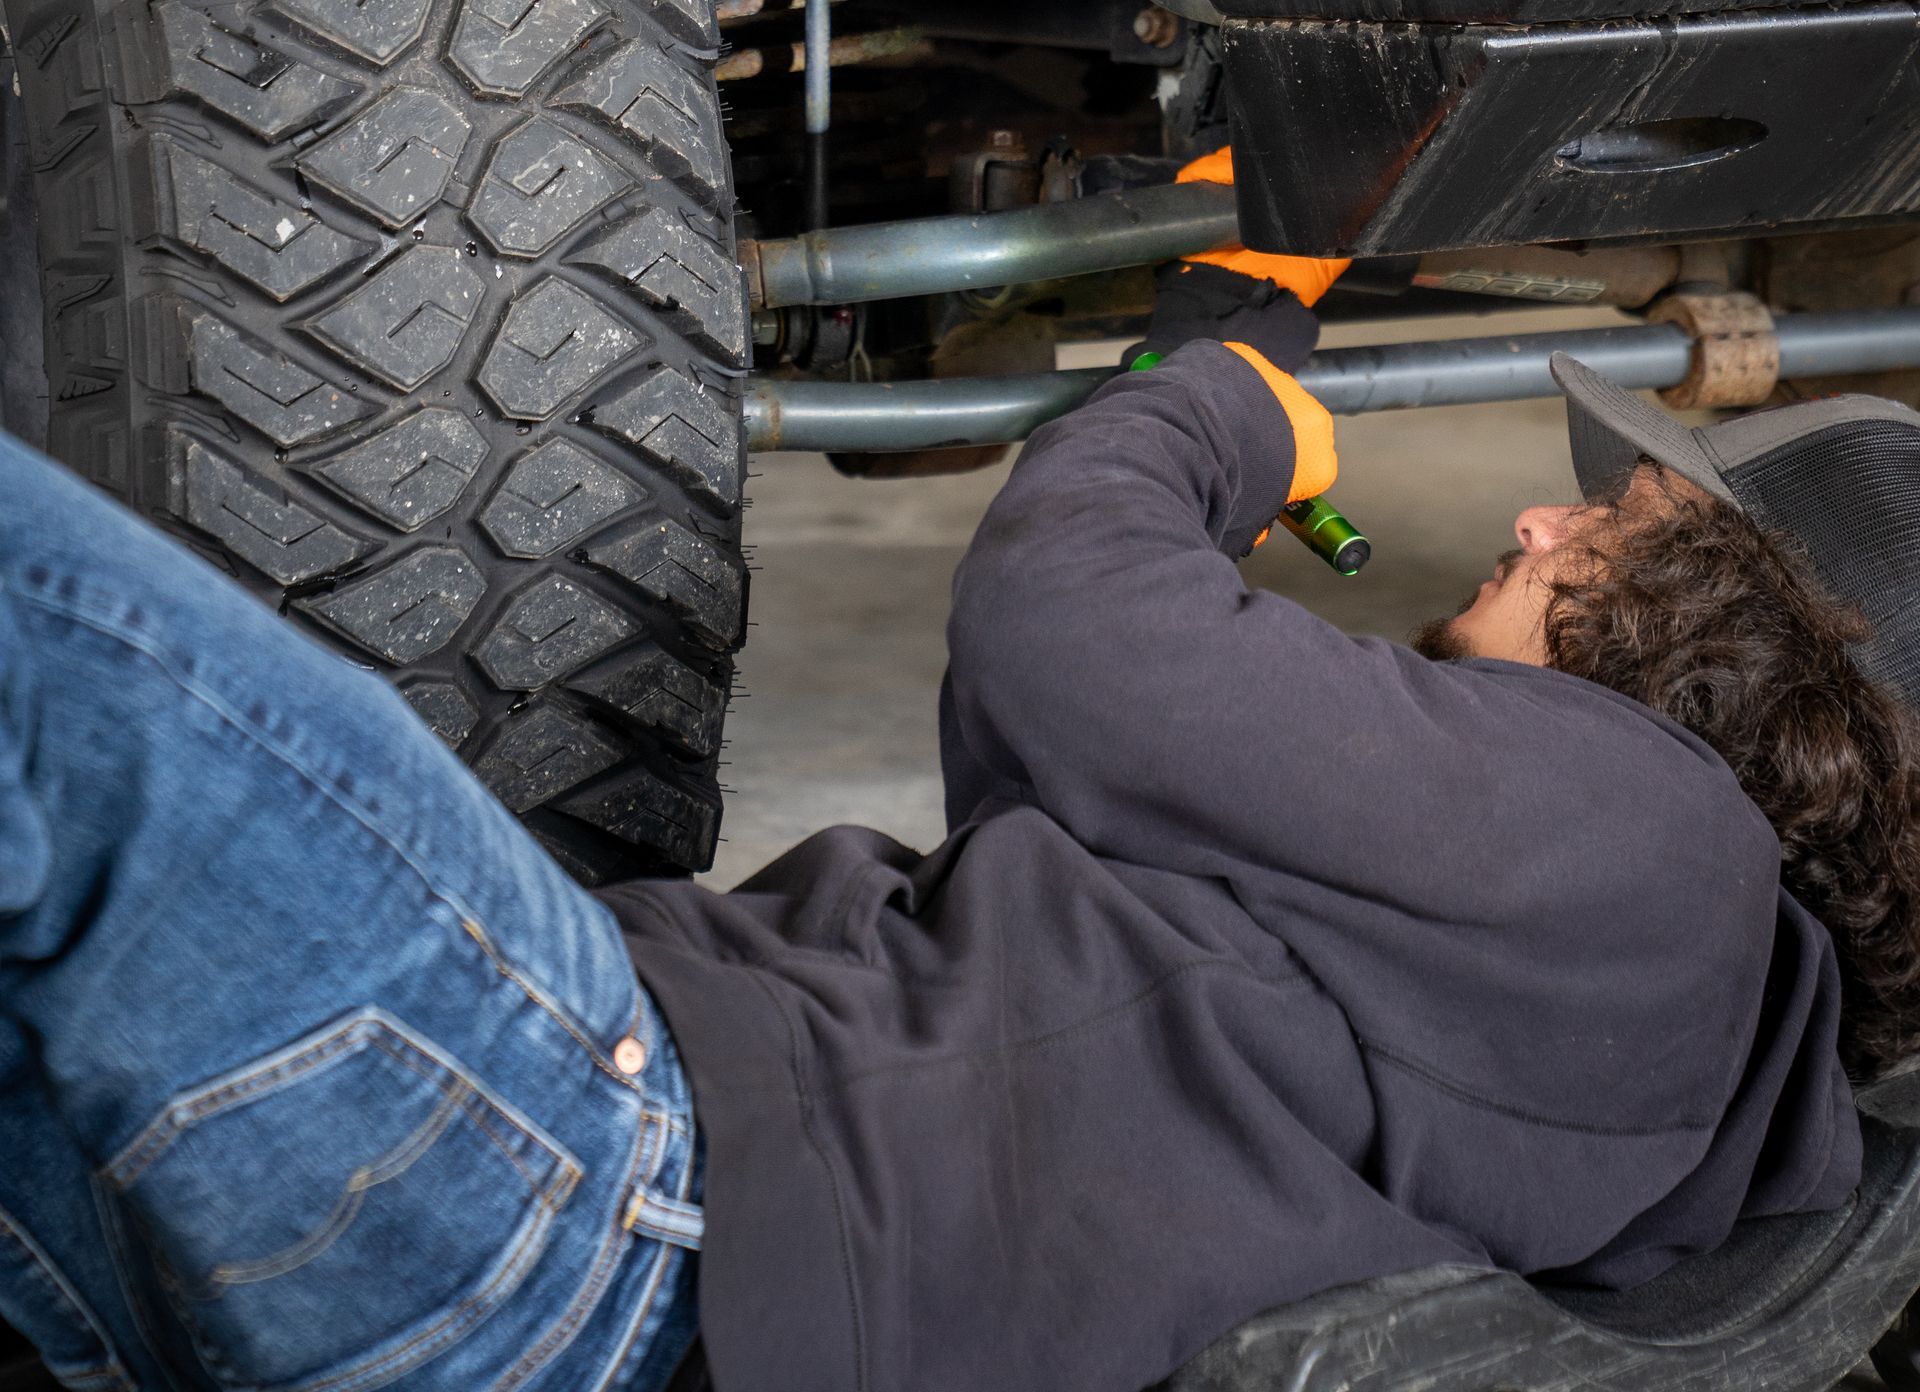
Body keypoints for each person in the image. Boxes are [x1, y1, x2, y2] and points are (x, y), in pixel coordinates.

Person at [2, 256, 1919, 1392]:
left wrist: (1215, 408)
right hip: (655, 1299)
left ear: (1742, 663)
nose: (1536, 519)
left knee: (51, 641)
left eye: (1615, 534)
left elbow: (1063, 622)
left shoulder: (1659, 855)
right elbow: (1058, 779)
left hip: (613, 1199)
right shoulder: (1634, 1029)